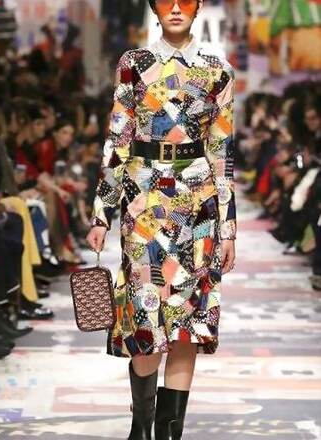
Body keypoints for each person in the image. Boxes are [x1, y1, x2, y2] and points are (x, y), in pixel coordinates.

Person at [86, 1, 236, 438]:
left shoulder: (217, 69)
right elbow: (118, 139)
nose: (175, 8)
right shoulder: (134, 64)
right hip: (142, 202)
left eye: (185, 0)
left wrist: (228, 228)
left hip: (198, 203)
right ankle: (141, 427)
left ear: (199, 6)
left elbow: (222, 153)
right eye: (165, 0)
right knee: (144, 316)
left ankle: (169, 433)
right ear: (153, 7)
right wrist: (101, 213)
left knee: (188, 322)